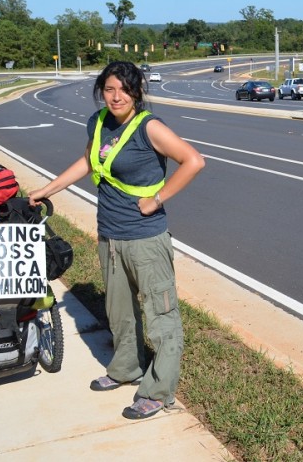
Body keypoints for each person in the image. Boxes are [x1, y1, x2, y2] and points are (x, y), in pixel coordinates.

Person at [29, 61, 205, 420]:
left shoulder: (149, 127)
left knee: (161, 314)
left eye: (124, 89)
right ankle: (126, 368)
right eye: (109, 89)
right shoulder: (98, 123)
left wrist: (156, 199)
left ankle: (158, 390)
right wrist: (47, 190)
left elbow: (194, 161)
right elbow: (89, 163)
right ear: (101, 91)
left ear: (137, 91)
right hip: (109, 234)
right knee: (120, 311)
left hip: (145, 239)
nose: (116, 96)